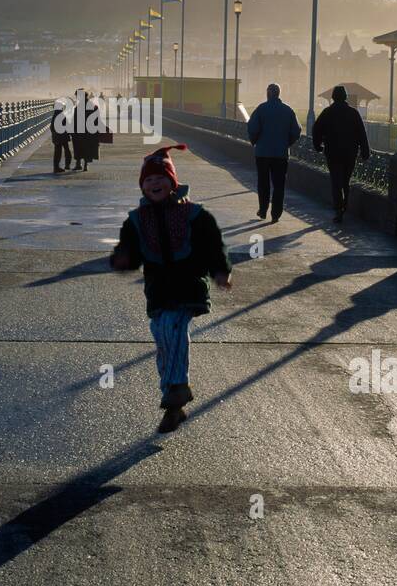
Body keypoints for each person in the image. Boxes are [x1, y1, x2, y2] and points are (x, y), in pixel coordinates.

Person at [110, 145, 233, 433]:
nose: (154, 184)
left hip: (189, 287)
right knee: (163, 340)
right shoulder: (137, 220)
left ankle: (176, 390)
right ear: (143, 186)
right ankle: (174, 399)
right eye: (148, 180)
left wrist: (220, 270)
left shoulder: (194, 215)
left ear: (172, 181)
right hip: (158, 291)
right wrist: (122, 258)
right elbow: (130, 250)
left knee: (173, 329)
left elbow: (213, 244)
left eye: (160, 178)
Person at [312, 85, 371, 224]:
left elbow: (316, 129)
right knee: (345, 180)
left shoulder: (327, 112)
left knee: (336, 181)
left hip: (332, 152)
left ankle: (339, 209)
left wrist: (318, 145)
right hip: (350, 153)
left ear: (333, 97)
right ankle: (345, 204)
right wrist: (365, 151)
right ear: (345, 97)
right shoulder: (353, 113)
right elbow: (362, 134)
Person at [246, 83, 301, 222]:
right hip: (281, 154)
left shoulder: (261, 109)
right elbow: (296, 130)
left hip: (263, 153)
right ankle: (276, 214)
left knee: (263, 183)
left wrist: (255, 142)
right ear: (278, 93)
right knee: (279, 185)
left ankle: (263, 210)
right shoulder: (288, 110)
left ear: (268, 93)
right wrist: (287, 143)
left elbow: (252, 128)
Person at [71, 90, 102, 172]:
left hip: (80, 131)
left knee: (78, 147)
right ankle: (85, 165)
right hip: (89, 131)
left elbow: (75, 119)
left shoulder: (79, 106)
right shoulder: (92, 105)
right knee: (87, 147)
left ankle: (78, 164)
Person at [51, 100, 72, 173]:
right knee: (66, 150)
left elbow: (52, 127)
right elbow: (67, 126)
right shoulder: (62, 115)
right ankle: (67, 164)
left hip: (56, 137)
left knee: (57, 152)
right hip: (63, 137)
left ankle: (56, 167)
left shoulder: (54, 115)